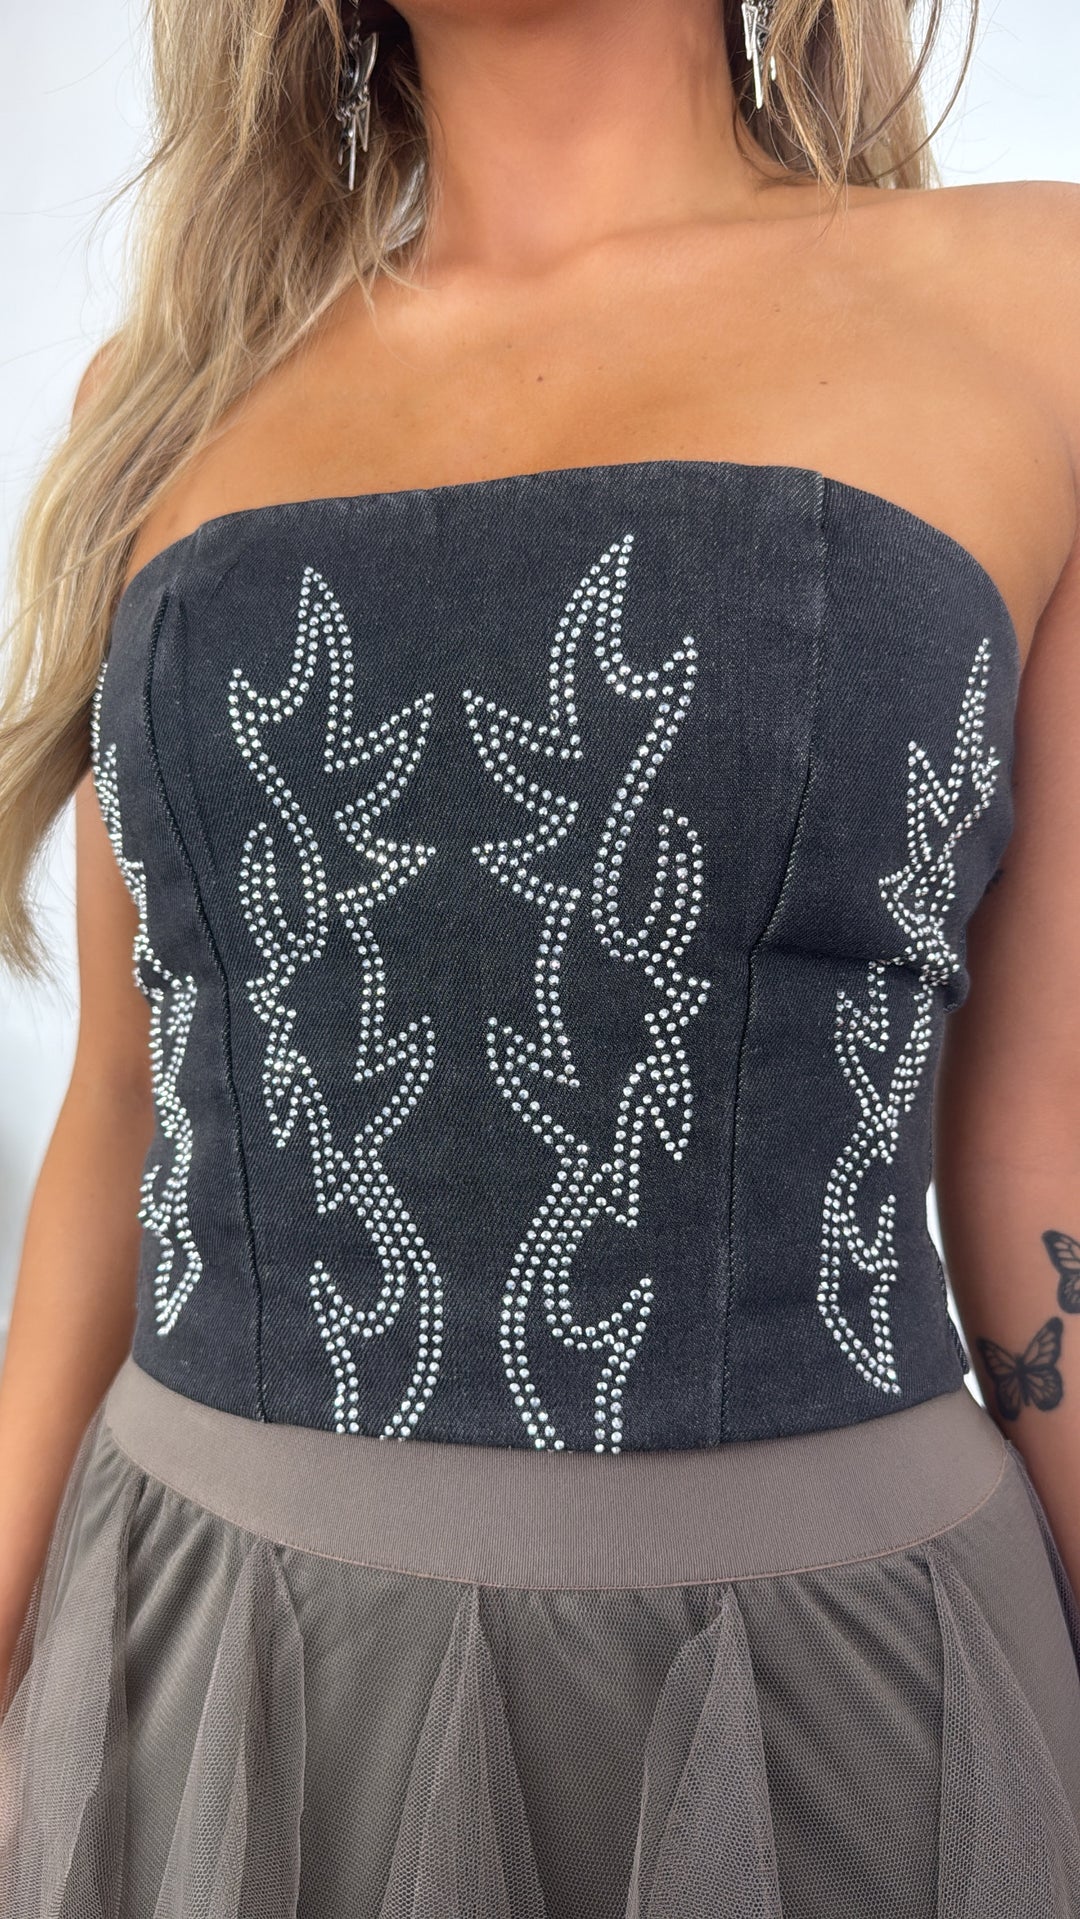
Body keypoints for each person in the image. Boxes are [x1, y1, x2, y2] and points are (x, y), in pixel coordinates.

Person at [0, 0, 1078, 1911]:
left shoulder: (1038, 299)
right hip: (216, 1674)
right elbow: (129, 1108)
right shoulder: (160, 398)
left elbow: (1038, 1132)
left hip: (832, 1690)